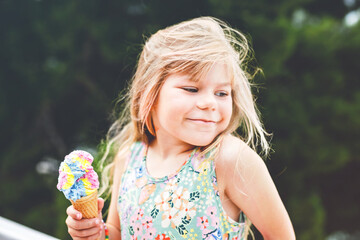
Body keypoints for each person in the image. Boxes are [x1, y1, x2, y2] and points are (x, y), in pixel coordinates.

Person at [65, 16, 295, 240]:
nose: (209, 103)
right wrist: (93, 234)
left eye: (222, 93)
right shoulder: (130, 158)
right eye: (192, 89)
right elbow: (117, 233)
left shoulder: (228, 159)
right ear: (150, 94)